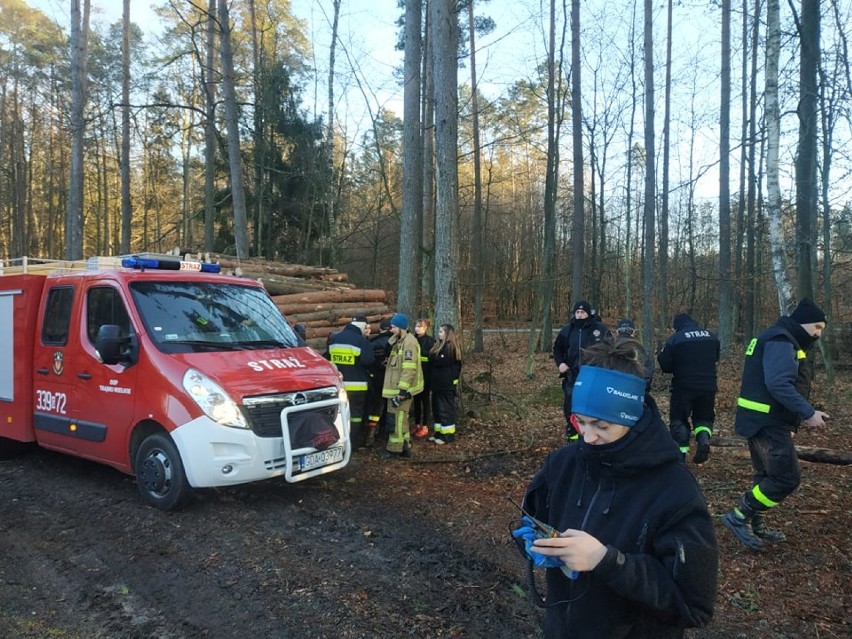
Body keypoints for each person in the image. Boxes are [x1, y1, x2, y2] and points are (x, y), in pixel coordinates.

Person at [516, 339, 718, 638]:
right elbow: (532, 518)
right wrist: (532, 542)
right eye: (580, 422)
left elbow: (692, 604)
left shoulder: (673, 488)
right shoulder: (562, 464)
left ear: (631, 417)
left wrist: (607, 562)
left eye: (601, 426)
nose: (588, 437)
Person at [721, 298, 830, 550]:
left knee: (766, 476)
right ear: (802, 324)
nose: (818, 334)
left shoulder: (778, 338)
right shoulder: (781, 341)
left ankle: (755, 523)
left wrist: (791, 423)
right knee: (785, 478)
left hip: (764, 420)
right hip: (766, 422)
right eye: (817, 327)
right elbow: (779, 384)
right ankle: (738, 516)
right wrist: (807, 413)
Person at [657, 313, 720, 464]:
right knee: (704, 417)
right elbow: (716, 358)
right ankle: (703, 439)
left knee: (680, 419)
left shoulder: (676, 339)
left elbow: (665, 365)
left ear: (676, 327)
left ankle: (680, 455)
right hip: (708, 386)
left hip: (683, 387)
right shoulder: (711, 336)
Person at [552, 300, 608, 442]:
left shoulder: (600, 330)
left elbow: (610, 348)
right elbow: (557, 349)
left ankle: (593, 436)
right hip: (572, 375)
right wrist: (561, 364)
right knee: (570, 407)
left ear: (588, 313)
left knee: (592, 407)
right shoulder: (567, 330)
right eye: (577, 312)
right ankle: (573, 435)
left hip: (594, 375)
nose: (580, 315)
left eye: (583, 312)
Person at [326, 315, 375, 448]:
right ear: (362, 326)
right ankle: (353, 443)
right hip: (357, 387)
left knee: (340, 414)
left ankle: (339, 440)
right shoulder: (361, 341)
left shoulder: (335, 338)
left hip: (339, 386)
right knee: (356, 415)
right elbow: (369, 361)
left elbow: (327, 358)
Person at [381, 313, 424, 458]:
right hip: (395, 388)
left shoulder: (409, 343)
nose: (391, 330)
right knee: (401, 418)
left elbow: (409, 368)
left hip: (401, 390)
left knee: (396, 419)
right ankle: (405, 447)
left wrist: (402, 392)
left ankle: (394, 449)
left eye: (393, 327)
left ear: (401, 327)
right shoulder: (399, 341)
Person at [428, 324, 462, 444]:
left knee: (445, 409)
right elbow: (432, 358)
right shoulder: (438, 346)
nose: (439, 333)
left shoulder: (450, 347)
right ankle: (439, 433)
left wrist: (434, 358)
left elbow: (439, 361)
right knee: (437, 409)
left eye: (442, 332)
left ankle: (448, 436)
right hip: (437, 385)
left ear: (448, 334)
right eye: (439, 331)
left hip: (446, 385)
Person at [365, 318, 393, 446]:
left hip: (375, 379)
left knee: (375, 407)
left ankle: (370, 434)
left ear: (381, 329)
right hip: (392, 380)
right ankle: (386, 433)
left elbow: (367, 361)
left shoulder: (372, 342)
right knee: (390, 407)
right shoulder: (397, 342)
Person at [614, 318, 654, 391]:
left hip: (612, 390)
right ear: (633, 332)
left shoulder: (608, 347)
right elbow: (647, 372)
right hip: (634, 390)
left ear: (617, 332)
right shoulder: (639, 348)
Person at [412, 318, 435, 439]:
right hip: (414, 376)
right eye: (416, 326)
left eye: (420, 326)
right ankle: (416, 424)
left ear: (425, 328)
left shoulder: (430, 341)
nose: (417, 328)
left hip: (426, 376)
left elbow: (431, 359)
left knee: (425, 402)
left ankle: (425, 425)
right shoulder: (412, 340)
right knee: (416, 401)